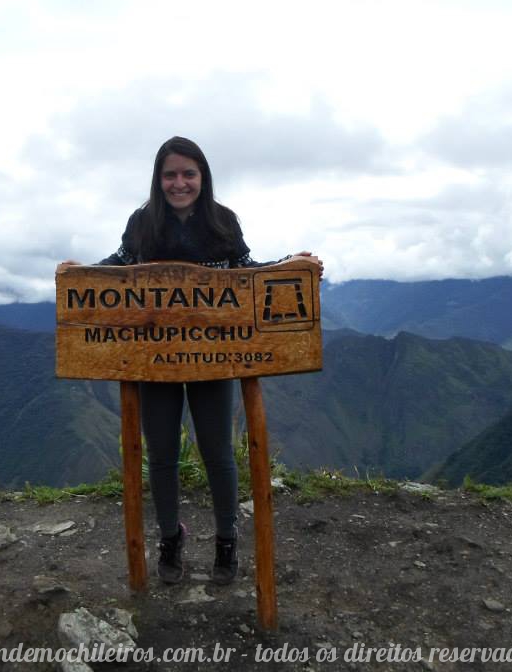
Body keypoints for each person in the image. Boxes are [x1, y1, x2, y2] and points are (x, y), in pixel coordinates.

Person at [60, 136, 322, 585]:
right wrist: (78, 274)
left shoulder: (222, 222)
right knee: (160, 454)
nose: (179, 183)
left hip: (214, 358)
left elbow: (247, 274)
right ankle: (169, 538)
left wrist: (290, 265)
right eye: (170, 174)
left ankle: (226, 539)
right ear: (158, 179)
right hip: (154, 359)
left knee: (218, 452)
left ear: (202, 177)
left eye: (188, 174)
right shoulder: (142, 223)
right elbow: (119, 270)